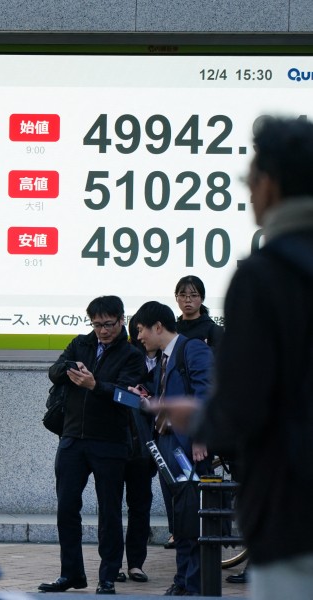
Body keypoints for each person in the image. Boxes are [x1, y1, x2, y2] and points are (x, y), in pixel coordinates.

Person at [190, 116, 313, 599]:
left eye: (251, 179)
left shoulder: (264, 277)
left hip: (291, 510)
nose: (248, 191)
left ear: (272, 184)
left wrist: (200, 419)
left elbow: (242, 406)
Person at [38, 296, 145, 595]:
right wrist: (70, 368)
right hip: (72, 438)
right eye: (96, 324)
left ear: (122, 320)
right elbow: (54, 370)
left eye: (108, 324)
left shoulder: (131, 355)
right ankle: (71, 573)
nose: (102, 331)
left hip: (110, 442)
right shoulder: (80, 344)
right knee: (66, 508)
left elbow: (128, 396)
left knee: (109, 511)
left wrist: (95, 385)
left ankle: (108, 576)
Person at [131, 301, 214, 596]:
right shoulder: (164, 359)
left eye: (140, 330)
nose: (139, 337)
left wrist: (201, 436)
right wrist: (147, 396)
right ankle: (183, 580)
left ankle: (193, 584)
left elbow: (206, 392)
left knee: (192, 518)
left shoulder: (193, 349)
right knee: (179, 519)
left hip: (189, 448)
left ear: (157, 327)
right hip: (168, 446)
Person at [115, 312, 158, 584]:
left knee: (140, 506)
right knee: (111, 507)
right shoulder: (127, 356)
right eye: (139, 330)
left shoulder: (168, 359)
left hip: (146, 445)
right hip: (118, 440)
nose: (142, 335)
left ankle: (136, 563)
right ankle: (114, 563)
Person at [173, 275, 225, 349]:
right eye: (182, 295)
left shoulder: (214, 330)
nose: (188, 300)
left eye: (193, 295)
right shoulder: (172, 330)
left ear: (202, 298)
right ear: (176, 298)